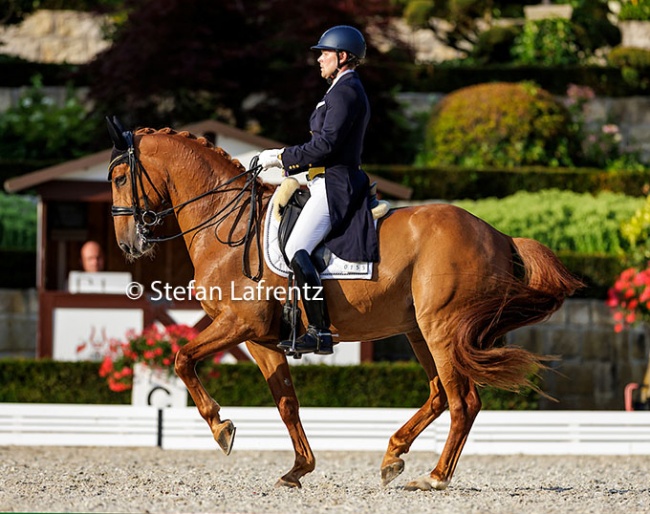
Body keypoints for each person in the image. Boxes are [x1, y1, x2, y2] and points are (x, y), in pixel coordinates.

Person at [258, 25, 379, 356]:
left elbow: (325, 145)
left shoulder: (345, 91)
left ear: (342, 56)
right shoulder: (342, 89)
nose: (319, 59)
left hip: (335, 182)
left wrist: (282, 156)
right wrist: (286, 168)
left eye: (324, 53)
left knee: (297, 246)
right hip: (322, 178)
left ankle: (318, 330)